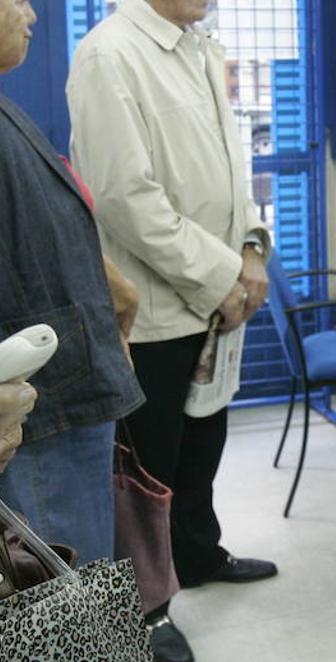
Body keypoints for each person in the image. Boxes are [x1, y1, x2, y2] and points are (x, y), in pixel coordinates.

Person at [67, 0, 278, 662]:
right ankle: (145, 606)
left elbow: (230, 168)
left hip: (216, 295)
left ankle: (198, 553)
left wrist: (248, 248)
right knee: (148, 465)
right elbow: (127, 199)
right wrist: (222, 276)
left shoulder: (197, 44)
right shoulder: (110, 54)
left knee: (203, 440)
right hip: (158, 307)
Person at [0, 0, 145, 562]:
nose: (31, 14)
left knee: (85, 590)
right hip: (33, 413)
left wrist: (108, 286)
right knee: (58, 616)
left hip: (66, 390)